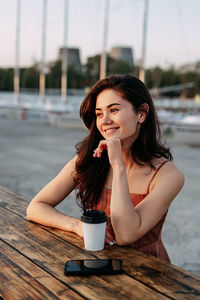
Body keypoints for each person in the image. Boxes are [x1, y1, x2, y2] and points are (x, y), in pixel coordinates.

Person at [26, 74, 184, 262]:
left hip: (148, 276)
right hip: (97, 266)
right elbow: (35, 207)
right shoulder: (88, 160)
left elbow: (126, 234)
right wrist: (77, 226)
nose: (104, 121)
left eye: (114, 110)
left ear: (141, 113)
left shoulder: (168, 175)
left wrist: (118, 166)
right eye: (99, 113)